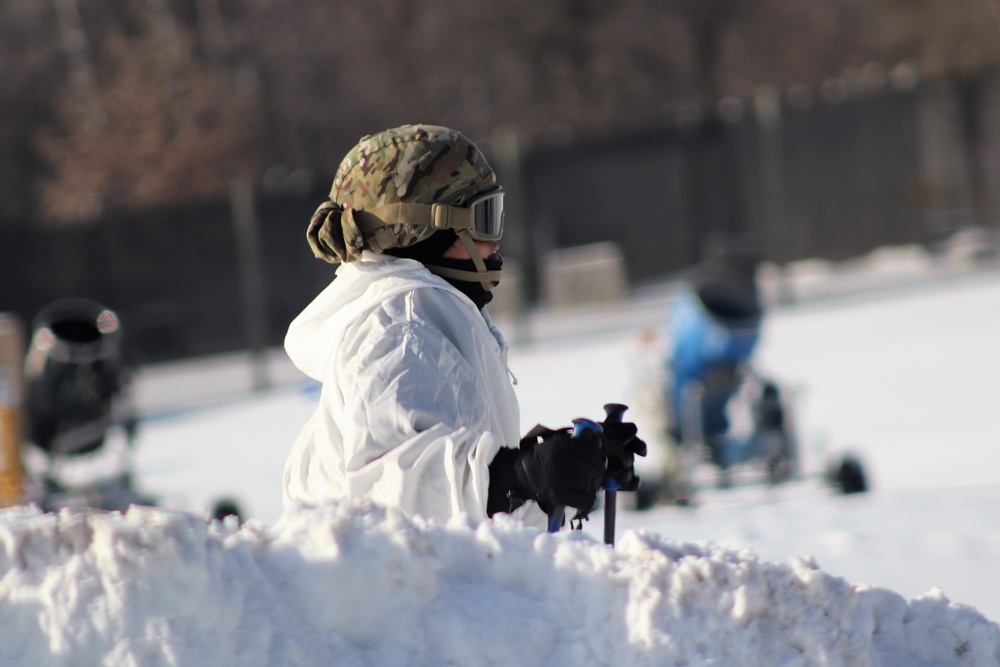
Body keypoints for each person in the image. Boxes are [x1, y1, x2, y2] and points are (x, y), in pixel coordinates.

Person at [282, 124, 644, 528]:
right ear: (421, 231)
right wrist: (517, 475)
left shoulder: (427, 316)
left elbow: (469, 501)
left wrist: (570, 471)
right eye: (485, 219)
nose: (495, 242)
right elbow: (395, 485)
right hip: (395, 586)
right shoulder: (399, 327)